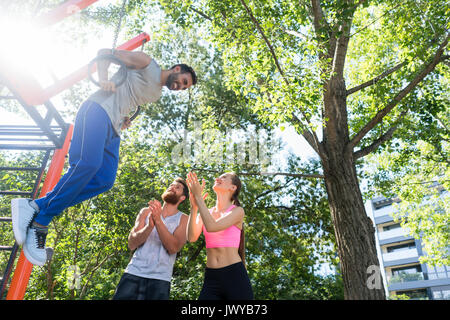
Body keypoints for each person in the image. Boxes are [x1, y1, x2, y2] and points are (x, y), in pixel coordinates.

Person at [11, 49, 197, 266]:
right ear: (177, 69)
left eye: (184, 87)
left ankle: (36, 206)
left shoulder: (156, 92)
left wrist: (124, 117)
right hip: (98, 110)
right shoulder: (148, 63)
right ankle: (41, 221)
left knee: (104, 180)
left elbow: (126, 93)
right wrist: (102, 78)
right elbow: (106, 54)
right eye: (183, 81)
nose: (180, 87)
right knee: (87, 164)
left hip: (113, 125)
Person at [113, 178, 189, 300]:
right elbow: (132, 244)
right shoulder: (145, 212)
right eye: (171, 185)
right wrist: (149, 226)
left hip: (160, 280)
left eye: (177, 187)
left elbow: (173, 248)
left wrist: (158, 221)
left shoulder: (184, 219)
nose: (172, 187)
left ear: (182, 198)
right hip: (133, 273)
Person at [186, 171, 253, 300]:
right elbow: (191, 237)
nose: (218, 178)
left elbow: (212, 227)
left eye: (224, 177)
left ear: (233, 188)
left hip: (234, 276)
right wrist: (194, 207)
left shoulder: (237, 211)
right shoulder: (207, 213)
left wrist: (199, 197)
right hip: (211, 278)